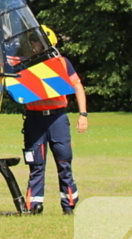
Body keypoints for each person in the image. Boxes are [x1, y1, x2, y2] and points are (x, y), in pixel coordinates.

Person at [21, 25, 88, 215]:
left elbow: (78, 86)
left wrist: (83, 114)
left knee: (64, 162)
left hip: (57, 118)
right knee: (36, 164)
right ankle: (34, 206)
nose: (34, 45)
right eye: (32, 41)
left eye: (37, 41)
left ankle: (69, 206)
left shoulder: (62, 63)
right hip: (34, 119)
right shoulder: (25, 64)